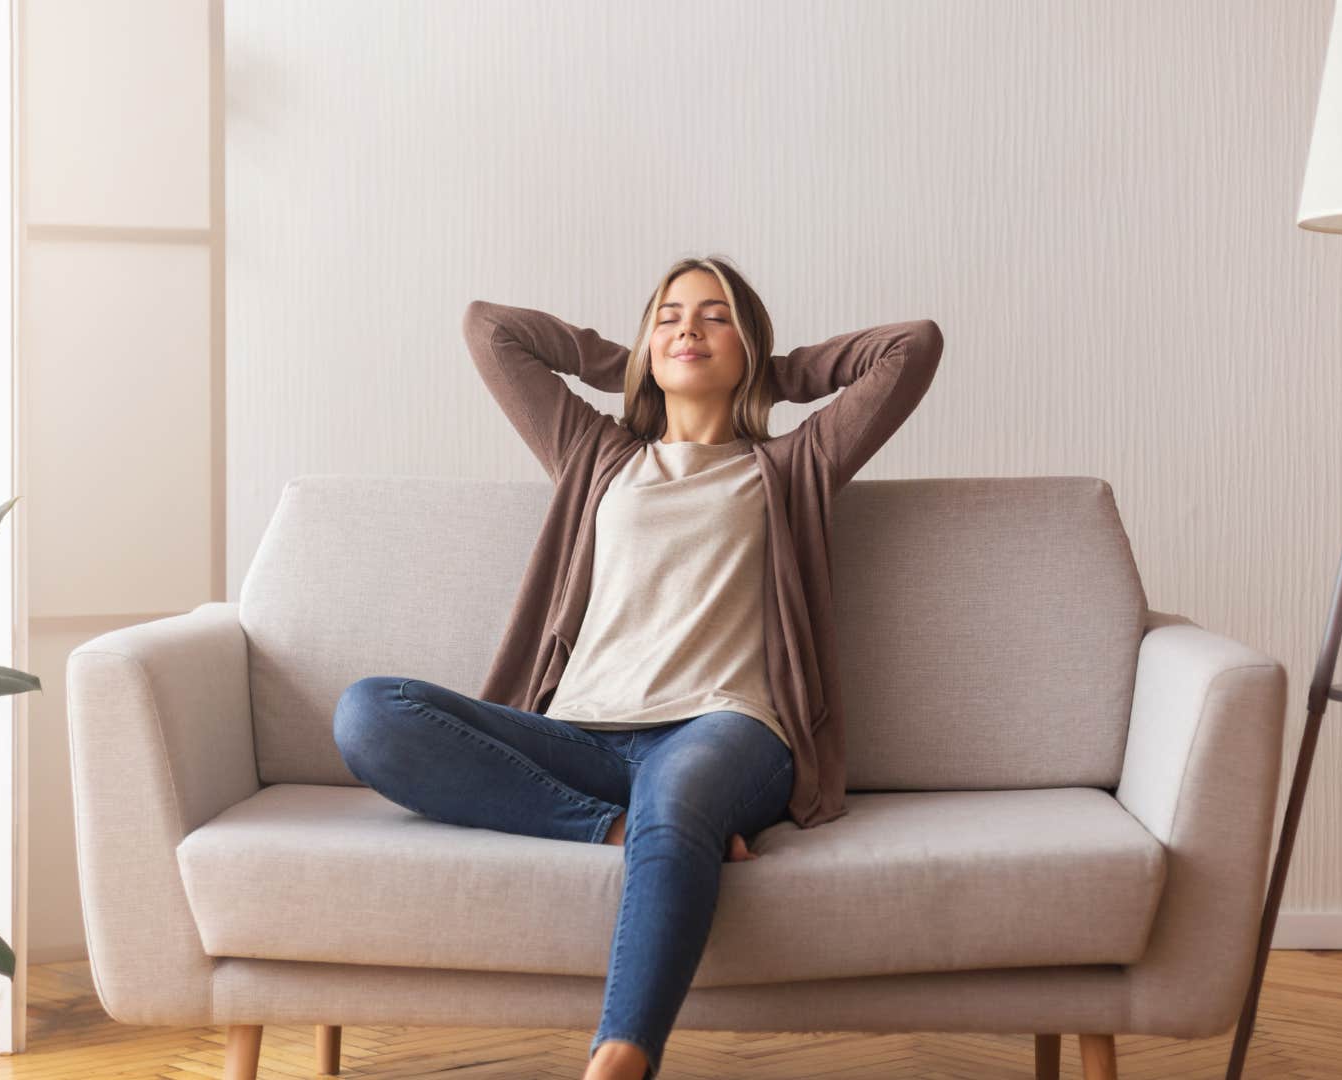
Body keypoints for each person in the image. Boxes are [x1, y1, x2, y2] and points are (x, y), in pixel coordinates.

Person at [332, 255, 942, 1080]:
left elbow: (913, 346)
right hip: (583, 737)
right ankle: (617, 827)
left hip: (728, 730)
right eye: (669, 316)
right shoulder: (596, 454)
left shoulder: (795, 465)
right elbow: (490, 329)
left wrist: (779, 370)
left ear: (750, 344)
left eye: (715, 315)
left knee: (681, 787)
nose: (689, 327)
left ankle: (620, 1061)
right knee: (370, 711)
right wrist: (634, 365)